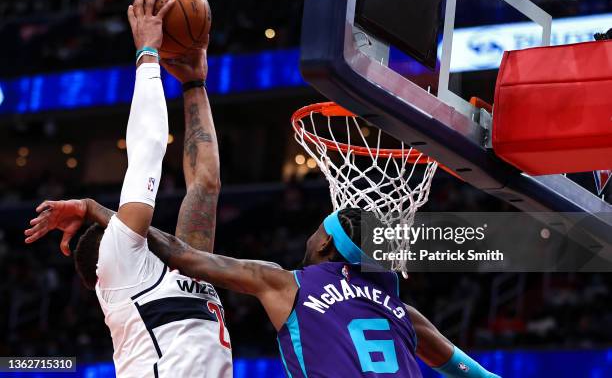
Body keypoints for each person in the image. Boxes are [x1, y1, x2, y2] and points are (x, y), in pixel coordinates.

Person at [28, 201, 500, 377]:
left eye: (320, 227)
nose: (311, 232)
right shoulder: (403, 311)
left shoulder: (286, 282)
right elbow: (467, 371)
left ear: (327, 247)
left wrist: (97, 211)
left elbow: (179, 253)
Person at [25, 0, 232, 377]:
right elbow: (147, 153)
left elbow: (204, 186)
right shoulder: (117, 270)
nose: (130, 226)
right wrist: (147, 55)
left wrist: (195, 85)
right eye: (121, 228)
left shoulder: (185, 273)